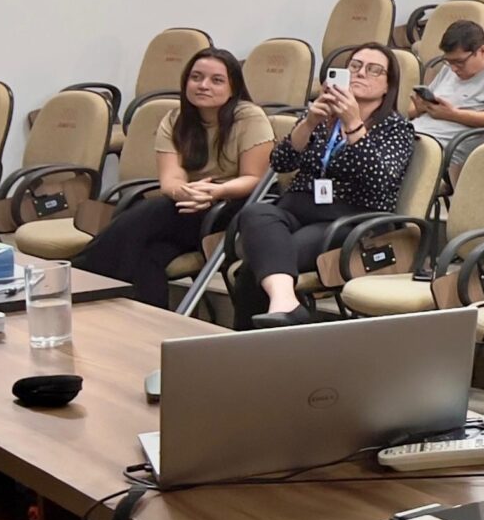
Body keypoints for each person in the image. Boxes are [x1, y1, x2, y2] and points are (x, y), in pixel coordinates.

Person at [233, 43, 417, 325]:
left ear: (387, 86)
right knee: (255, 212)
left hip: (349, 217)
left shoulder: (396, 128)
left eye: (373, 70)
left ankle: (250, 346)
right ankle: (286, 305)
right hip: (298, 208)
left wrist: (354, 123)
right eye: (354, 66)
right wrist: (308, 123)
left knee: (255, 267)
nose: (360, 74)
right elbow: (281, 162)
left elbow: (380, 180)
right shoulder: (322, 117)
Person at [78, 47, 273, 308]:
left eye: (216, 80)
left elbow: (254, 179)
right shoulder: (175, 119)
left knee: (153, 209)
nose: (203, 85)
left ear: (233, 87)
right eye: (196, 77)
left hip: (231, 210)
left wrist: (213, 192)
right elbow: (170, 180)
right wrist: (188, 193)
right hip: (186, 207)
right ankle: (152, 329)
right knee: (149, 257)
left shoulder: (249, 117)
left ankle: (82, 274)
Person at [409, 18, 484, 148]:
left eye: (460, 62)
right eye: (449, 61)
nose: (454, 68)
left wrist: (454, 115)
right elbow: (411, 110)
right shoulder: (448, 70)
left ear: (482, 51)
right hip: (414, 134)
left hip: (438, 146)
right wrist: (423, 108)